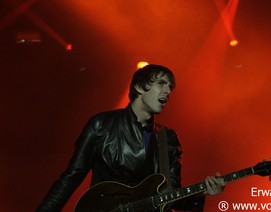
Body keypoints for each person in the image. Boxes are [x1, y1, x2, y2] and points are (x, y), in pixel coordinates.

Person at [36, 64, 225, 211]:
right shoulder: (102, 125)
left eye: (170, 87)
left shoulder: (168, 138)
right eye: (161, 83)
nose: (168, 91)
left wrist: (202, 194)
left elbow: (170, 197)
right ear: (139, 87)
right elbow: (71, 177)